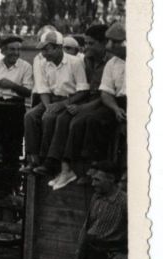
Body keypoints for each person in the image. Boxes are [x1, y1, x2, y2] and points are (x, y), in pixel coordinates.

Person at [35, 24, 111, 189]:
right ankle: (56, 165)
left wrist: (82, 107)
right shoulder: (86, 60)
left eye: (91, 43)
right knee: (60, 118)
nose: (86, 47)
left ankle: (73, 168)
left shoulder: (110, 62)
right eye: (86, 43)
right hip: (88, 100)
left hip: (103, 102)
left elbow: (105, 94)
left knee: (77, 121)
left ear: (103, 43)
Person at [22, 30, 89, 174]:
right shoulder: (44, 63)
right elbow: (43, 89)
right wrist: (48, 106)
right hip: (51, 99)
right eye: (42, 50)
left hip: (70, 99)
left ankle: (48, 160)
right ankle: (33, 159)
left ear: (59, 47)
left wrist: (61, 105)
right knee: (30, 116)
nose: (44, 54)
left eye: (47, 49)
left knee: (49, 117)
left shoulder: (75, 62)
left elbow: (83, 90)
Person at [0, 36, 34, 192]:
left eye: (18, 49)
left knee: (12, 150)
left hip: (14, 109)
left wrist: (11, 85)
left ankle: (7, 189)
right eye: (11, 49)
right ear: (3, 50)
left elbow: (27, 91)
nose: (15, 52)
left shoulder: (25, 67)